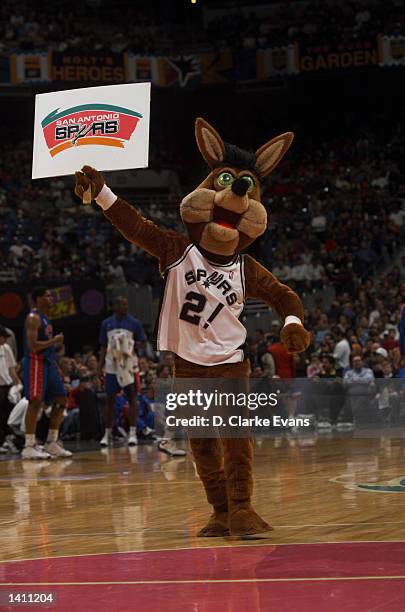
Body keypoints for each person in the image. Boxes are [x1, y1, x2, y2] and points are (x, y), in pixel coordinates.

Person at [22, 286, 72, 459]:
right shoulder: (33, 318)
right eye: (47, 295)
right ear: (38, 299)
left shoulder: (46, 318)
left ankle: (52, 442)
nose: (51, 298)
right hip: (36, 362)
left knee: (62, 398)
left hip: (49, 363)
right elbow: (33, 346)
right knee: (35, 401)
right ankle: (29, 445)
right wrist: (54, 341)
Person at [98, 296, 146, 446]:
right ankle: (107, 434)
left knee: (132, 397)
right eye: (122, 304)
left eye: (126, 304)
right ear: (115, 306)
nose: (125, 307)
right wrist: (100, 367)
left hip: (128, 364)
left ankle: (132, 434)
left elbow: (143, 342)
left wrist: (131, 345)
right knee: (110, 400)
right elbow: (103, 347)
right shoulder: (106, 323)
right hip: (111, 364)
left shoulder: (134, 323)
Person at [0, 326, 21, 453]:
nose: (4, 340)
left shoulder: (6, 349)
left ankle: (12, 439)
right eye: (3, 338)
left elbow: (11, 369)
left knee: (9, 417)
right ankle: (2, 441)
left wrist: (18, 384)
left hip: (7, 387)